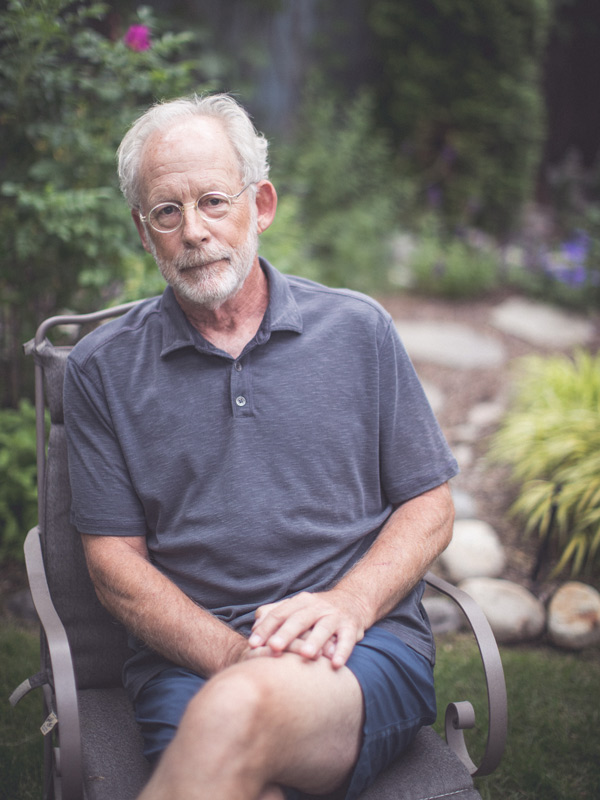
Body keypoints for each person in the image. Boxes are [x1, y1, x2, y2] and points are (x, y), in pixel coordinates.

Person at [64, 93, 458, 800]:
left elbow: (429, 503)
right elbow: (113, 566)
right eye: (166, 211)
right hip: (185, 666)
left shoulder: (358, 331)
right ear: (141, 230)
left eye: (214, 201)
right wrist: (235, 654)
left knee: (238, 710)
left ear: (262, 204)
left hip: (359, 653)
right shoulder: (101, 369)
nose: (193, 231)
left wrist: (349, 604)